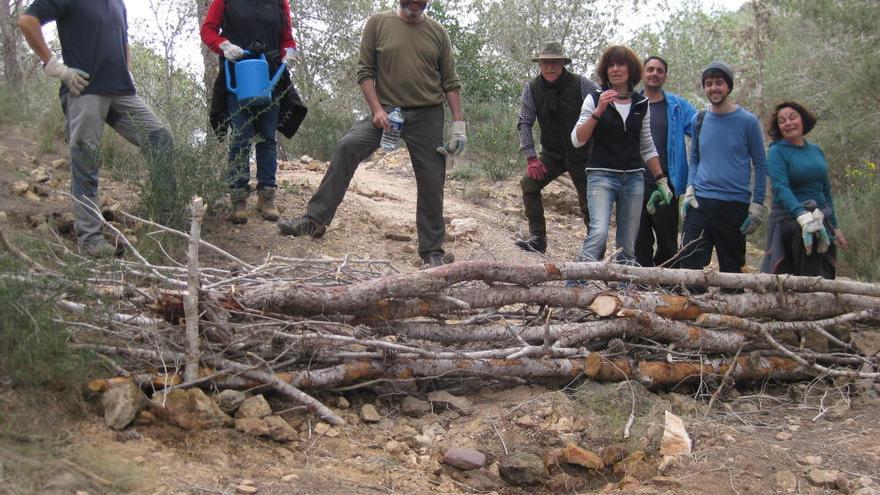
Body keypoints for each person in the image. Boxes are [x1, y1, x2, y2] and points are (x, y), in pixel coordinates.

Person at [277, 0, 466, 269]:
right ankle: (315, 221)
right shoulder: (378, 24)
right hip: (387, 112)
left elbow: (450, 81)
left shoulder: (438, 33)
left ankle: (431, 252)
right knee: (348, 145)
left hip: (428, 115)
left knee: (432, 178)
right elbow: (365, 70)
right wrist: (377, 110)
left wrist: (459, 125)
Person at [19, 0, 175, 257]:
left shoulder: (118, 3)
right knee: (86, 160)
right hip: (84, 89)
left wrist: (126, 70)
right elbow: (27, 21)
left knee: (160, 139)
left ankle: (168, 220)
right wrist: (55, 66)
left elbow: (122, 39)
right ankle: (91, 240)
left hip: (121, 90)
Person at [570, 46, 672, 266]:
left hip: (634, 179)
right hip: (601, 176)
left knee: (627, 243)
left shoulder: (641, 104)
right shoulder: (593, 99)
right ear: (605, 71)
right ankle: (574, 283)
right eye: (610, 65)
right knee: (598, 233)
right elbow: (577, 139)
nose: (615, 69)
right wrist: (598, 111)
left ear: (631, 69)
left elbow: (647, 146)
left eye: (620, 64)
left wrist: (661, 180)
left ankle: (625, 294)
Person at [201, 0, 299, 224]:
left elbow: (287, 38)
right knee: (241, 136)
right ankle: (238, 199)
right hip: (239, 73)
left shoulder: (279, 3)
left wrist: (289, 52)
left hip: (270, 75)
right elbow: (208, 30)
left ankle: (267, 196)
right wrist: (224, 45)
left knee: (267, 137)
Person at [674, 61, 767, 275]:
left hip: (734, 204)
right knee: (688, 264)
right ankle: (693, 305)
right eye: (708, 84)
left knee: (732, 271)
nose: (713, 88)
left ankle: (732, 306)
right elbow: (695, 158)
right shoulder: (699, 119)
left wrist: (758, 205)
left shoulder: (748, 121)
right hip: (701, 202)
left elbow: (760, 165)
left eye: (719, 83)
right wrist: (690, 190)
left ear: (729, 86)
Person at [514, 42, 599, 254]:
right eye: (545, 63)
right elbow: (524, 122)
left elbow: (603, 103)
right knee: (529, 185)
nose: (549, 67)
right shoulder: (531, 88)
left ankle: (594, 251)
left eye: (554, 63)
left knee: (589, 204)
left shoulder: (582, 84)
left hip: (583, 154)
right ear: (539, 64)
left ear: (563, 63)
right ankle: (538, 239)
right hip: (551, 154)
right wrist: (531, 157)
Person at [761, 101, 848, 278]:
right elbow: (781, 187)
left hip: (820, 216)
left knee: (826, 267)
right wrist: (802, 215)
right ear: (778, 127)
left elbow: (825, 190)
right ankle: (806, 295)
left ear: (803, 119)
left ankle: (822, 298)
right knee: (806, 237)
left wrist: (835, 226)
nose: (788, 123)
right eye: (782, 120)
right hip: (788, 217)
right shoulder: (777, 152)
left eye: (793, 117)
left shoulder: (816, 151)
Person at [634, 56, 697, 267]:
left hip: (667, 182)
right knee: (639, 238)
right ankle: (642, 286)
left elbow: (702, 128)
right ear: (643, 73)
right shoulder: (632, 102)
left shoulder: (678, 107)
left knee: (667, 239)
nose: (654, 73)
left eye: (659, 70)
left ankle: (668, 285)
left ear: (665, 76)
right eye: (650, 69)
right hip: (635, 180)